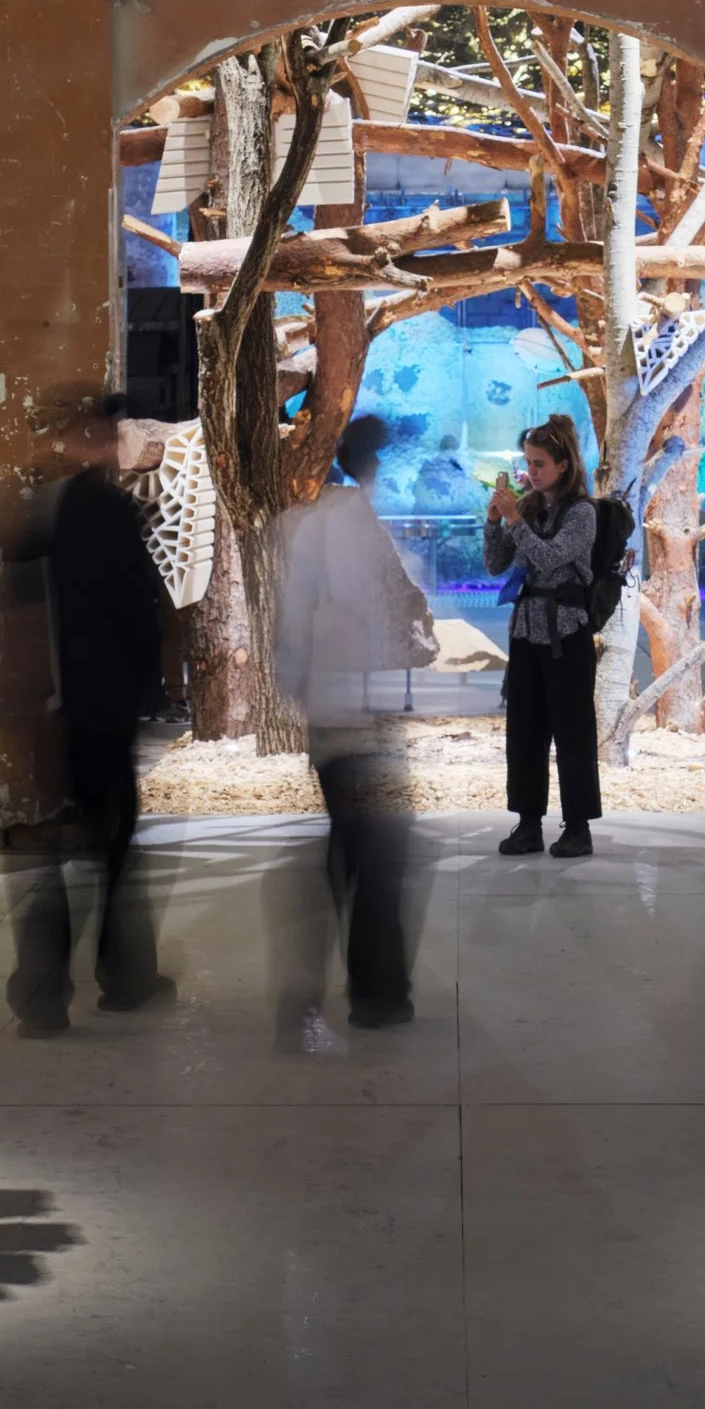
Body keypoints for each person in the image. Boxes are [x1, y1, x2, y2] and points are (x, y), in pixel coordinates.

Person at [0, 386, 174, 1035]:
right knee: (110, 846)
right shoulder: (99, 507)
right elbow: (134, 612)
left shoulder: (30, 508)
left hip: (55, 706)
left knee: (51, 851)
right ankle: (125, 978)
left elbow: (8, 610)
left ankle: (43, 997)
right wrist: (150, 684)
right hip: (93, 707)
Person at [273, 414, 436, 1036]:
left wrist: (301, 689)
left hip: (334, 710)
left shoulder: (318, 522)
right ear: (376, 466)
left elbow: (296, 623)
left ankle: (314, 986)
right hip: (366, 712)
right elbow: (391, 620)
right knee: (378, 852)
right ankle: (376, 992)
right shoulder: (356, 527)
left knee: (351, 846)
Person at [484, 416, 601, 859]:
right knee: (525, 733)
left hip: (567, 635)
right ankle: (528, 823)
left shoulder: (582, 514)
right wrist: (496, 522)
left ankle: (578, 827)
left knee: (572, 733)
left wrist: (515, 520)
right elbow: (497, 565)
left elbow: (551, 559)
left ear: (564, 464)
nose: (531, 472)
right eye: (528, 463)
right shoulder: (530, 509)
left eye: (540, 463)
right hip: (525, 633)